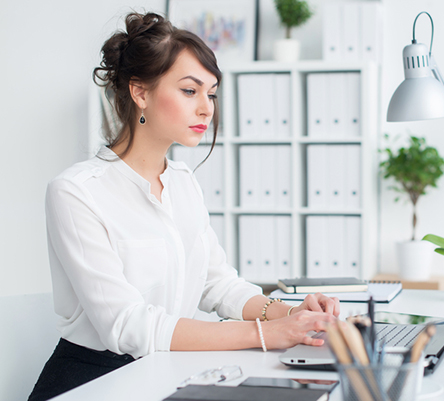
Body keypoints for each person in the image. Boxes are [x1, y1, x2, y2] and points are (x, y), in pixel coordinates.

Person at [28, 12, 340, 401]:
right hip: (92, 382)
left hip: (167, 371)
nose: (207, 109)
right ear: (140, 92)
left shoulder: (182, 183)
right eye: (190, 91)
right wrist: (264, 335)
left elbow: (218, 283)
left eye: (210, 93)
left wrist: (290, 315)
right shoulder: (76, 192)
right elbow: (128, 326)